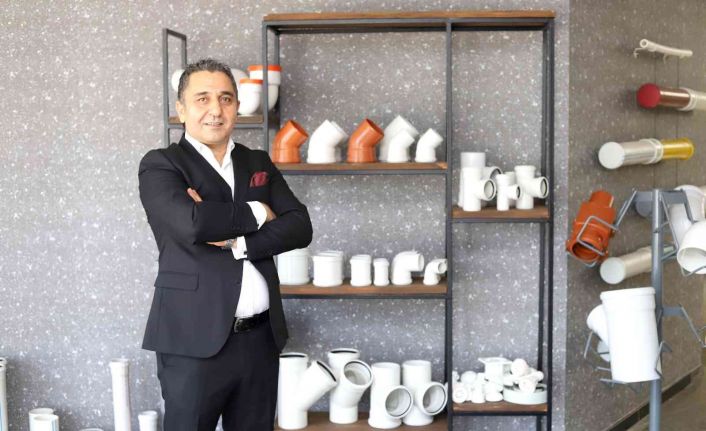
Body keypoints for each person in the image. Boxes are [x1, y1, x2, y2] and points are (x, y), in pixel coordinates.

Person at [138, 58, 312, 430]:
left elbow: (300, 226)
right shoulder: (161, 165)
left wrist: (238, 243)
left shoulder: (256, 161)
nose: (215, 110)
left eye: (226, 98)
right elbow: (193, 223)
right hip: (192, 341)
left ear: (237, 106)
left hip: (260, 340)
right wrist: (259, 210)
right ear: (181, 108)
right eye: (202, 98)